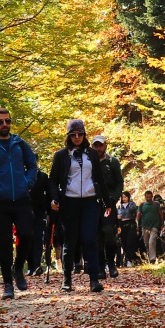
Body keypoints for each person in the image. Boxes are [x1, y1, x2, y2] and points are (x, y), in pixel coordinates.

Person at [0, 108, 41, 301]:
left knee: (27, 235)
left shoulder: (19, 143)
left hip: (21, 198)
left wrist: (27, 183)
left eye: (7, 121)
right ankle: (8, 285)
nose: (5, 125)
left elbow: (33, 165)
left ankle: (17, 268)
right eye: (1, 122)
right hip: (0, 200)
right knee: (3, 242)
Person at [48, 118, 105, 292]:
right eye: (74, 134)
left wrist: (108, 202)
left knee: (89, 238)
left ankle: (94, 279)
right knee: (70, 241)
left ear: (85, 135)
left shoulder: (92, 154)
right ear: (69, 136)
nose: (77, 137)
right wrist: (54, 198)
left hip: (90, 201)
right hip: (69, 201)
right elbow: (53, 179)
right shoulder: (61, 155)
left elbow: (100, 179)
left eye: (80, 134)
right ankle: (67, 279)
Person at [92, 134, 124, 278]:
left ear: (105, 145)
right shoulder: (88, 162)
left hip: (109, 204)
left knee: (109, 233)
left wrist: (114, 199)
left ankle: (111, 263)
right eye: (96, 145)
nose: (98, 148)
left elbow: (119, 183)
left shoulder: (113, 162)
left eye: (100, 145)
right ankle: (100, 267)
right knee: (96, 235)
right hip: (92, 202)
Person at [28, 167, 53, 278]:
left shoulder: (43, 177)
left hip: (40, 212)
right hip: (26, 211)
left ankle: (37, 265)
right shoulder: (23, 175)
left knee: (38, 238)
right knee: (27, 238)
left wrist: (48, 212)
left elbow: (48, 195)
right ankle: (30, 266)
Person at [138, 191, 164, 264]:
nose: (148, 198)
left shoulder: (156, 204)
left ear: (152, 197)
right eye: (147, 197)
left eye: (150, 197)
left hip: (154, 226)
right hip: (145, 226)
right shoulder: (142, 205)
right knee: (146, 243)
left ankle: (152, 259)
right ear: (145, 197)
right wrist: (137, 224)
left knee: (151, 242)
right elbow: (138, 215)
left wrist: (162, 224)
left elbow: (161, 214)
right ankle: (149, 257)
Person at [116, 190, 140, 266]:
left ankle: (129, 259)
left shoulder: (132, 205)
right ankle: (125, 258)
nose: (124, 198)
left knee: (130, 241)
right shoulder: (120, 207)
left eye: (125, 197)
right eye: (122, 197)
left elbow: (134, 211)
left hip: (130, 224)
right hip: (122, 225)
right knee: (124, 242)